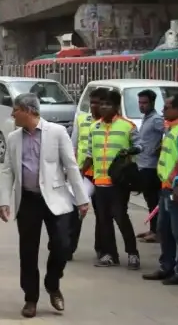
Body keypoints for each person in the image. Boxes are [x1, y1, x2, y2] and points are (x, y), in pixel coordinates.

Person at [0, 93, 90, 318]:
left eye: (15, 110)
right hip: (28, 200)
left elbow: (71, 166)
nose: (12, 114)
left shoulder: (57, 132)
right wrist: (4, 201)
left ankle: (52, 282)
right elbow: (8, 171)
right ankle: (30, 298)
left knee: (62, 245)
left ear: (28, 111)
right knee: (28, 251)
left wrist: (82, 199)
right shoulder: (13, 138)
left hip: (56, 198)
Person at [81, 89, 143, 269]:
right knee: (103, 220)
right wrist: (80, 172)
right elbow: (90, 154)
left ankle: (132, 254)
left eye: (108, 104)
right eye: (101, 104)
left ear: (116, 107)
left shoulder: (128, 126)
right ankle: (109, 255)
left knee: (121, 218)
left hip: (119, 182)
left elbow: (140, 146)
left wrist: (130, 151)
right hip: (99, 181)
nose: (103, 107)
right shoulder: (94, 127)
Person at [142, 92, 178, 285]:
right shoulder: (172, 127)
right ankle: (166, 267)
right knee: (164, 230)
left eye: (166, 107)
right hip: (167, 188)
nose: (162, 110)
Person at [69, 87, 107, 259]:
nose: (94, 106)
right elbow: (73, 145)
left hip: (102, 175)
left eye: (98, 103)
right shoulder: (81, 120)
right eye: (92, 102)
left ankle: (102, 249)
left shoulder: (110, 124)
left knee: (102, 215)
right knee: (76, 211)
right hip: (83, 174)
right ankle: (69, 247)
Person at [136, 89, 165, 243]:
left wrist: (161, 146)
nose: (141, 105)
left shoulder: (156, 120)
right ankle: (153, 229)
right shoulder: (146, 118)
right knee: (150, 200)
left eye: (145, 103)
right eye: (140, 102)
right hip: (143, 164)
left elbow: (170, 133)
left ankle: (157, 232)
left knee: (154, 200)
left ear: (153, 103)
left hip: (151, 166)